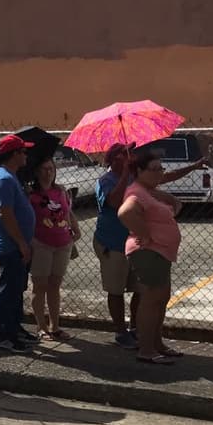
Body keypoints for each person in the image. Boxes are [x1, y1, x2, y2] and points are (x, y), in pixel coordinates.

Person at [118, 148, 184, 364]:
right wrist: (145, 235)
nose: (159, 173)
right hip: (149, 252)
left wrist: (164, 197)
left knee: (161, 299)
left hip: (161, 252)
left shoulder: (148, 191)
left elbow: (173, 206)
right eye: (153, 169)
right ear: (139, 171)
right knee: (151, 300)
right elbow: (125, 213)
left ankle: (157, 344)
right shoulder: (136, 192)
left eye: (161, 169)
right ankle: (146, 349)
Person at [0, 134, 38, 352]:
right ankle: (6, 336)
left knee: (17, 289)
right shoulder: (4, 180)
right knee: (9, 290)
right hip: (11, 246)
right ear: (14, 154)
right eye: (23, 151)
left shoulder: (10, 178)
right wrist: (21, 243)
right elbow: (6, 213)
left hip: (18, 245)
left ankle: (15, 328)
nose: (26, 155)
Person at [94, 143, 140, 349]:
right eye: (124, 154)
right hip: (112, 243)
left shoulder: (135, 177)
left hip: (135, 242)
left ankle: (136, 327)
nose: (130, 156)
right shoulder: (105, 181)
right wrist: (125, 175)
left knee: (141, 288)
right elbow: (113, 202)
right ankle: (120, 331)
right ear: (113, 159)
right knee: (116, 290)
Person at [29, 158, 80, 340]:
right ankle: (41, 327)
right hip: (41, 244)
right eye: (44, 169)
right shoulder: (31, 194)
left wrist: (75, 227)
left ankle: (55, 326)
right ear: (36, 172)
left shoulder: (61, 191)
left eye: (51, 168)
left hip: (63, 242)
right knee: (40, 285)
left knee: (55, 285)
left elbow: (67, 211)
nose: (48, 172)